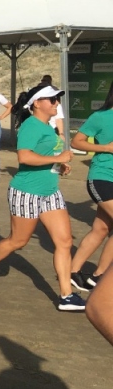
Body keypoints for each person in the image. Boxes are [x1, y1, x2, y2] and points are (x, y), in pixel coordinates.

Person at [0, 84, 80, 310]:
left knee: (65, 242)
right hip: (27, 192)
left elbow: (45, 156)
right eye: (52, 100)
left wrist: (59, 166)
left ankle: (66, 296)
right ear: (37, 103)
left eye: (57, 100)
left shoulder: (47, 126)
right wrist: (57, 158)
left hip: (50, 192)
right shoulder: (31, 126)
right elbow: (25, 157)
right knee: (18, 241)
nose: (56, 103)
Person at [68, 81, 113, 291]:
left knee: (101, 228)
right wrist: (105, 147)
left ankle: (75, 271)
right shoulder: (100, 117)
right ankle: (100, 276)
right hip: (101, 177)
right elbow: (76, 142)